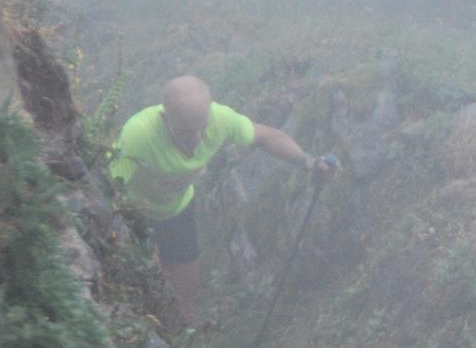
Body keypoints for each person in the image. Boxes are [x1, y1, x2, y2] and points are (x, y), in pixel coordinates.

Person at [108, 75, 338, 325]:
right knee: (150, 283)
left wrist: (309, 162)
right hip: (136, 214)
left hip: (178, 210)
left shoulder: (220, 119)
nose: (196, 141)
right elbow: (107, 187)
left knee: (185, 290)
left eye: (202, 129)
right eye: (185, 133)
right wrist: (130, 237)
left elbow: (267, 136)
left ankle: (180, 331)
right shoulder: (139, 136)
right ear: (165, 119)